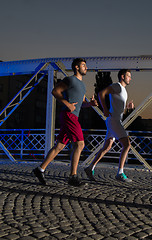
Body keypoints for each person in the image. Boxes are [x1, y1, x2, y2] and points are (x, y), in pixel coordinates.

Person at [33, 58, 98, 187]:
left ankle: (40, 169)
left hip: (73, 115)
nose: (86, 67)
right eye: (83, 65)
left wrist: (90, 104)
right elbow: (55, 91)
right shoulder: (70, 80)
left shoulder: (83, 85)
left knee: (60, 146)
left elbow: (81, 104)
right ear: (76, 67)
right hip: (69, 116)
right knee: (80, 144)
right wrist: (67, 103)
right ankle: (73, 177)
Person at [84, 69, 134, 182]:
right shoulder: (117, 86)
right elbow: (101, 93)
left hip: (116, 120)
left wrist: (128, 109)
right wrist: (105, 110)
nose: (130, 78)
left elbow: (120, 111)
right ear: (122, 76)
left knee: (106, 147)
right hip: (113, 121)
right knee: (127, 145)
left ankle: (90, 167)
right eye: (129, 76)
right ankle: (120, 173)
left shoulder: (124, 91)